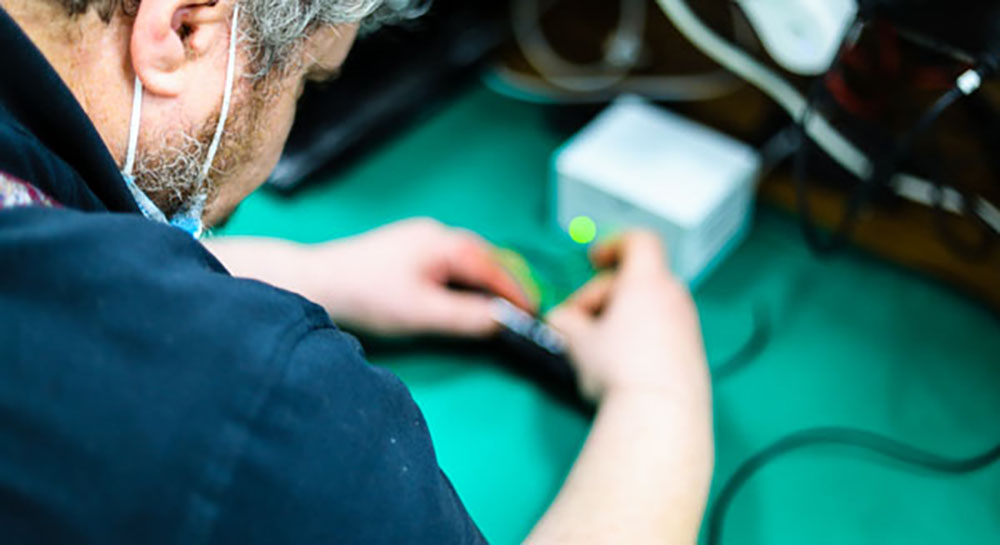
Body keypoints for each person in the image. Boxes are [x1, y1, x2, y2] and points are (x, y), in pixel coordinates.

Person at [0, 0, 714, 543]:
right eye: (309, 80)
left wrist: (311, 270)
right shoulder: (247, 392)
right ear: (187, 30)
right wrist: (659, 393)